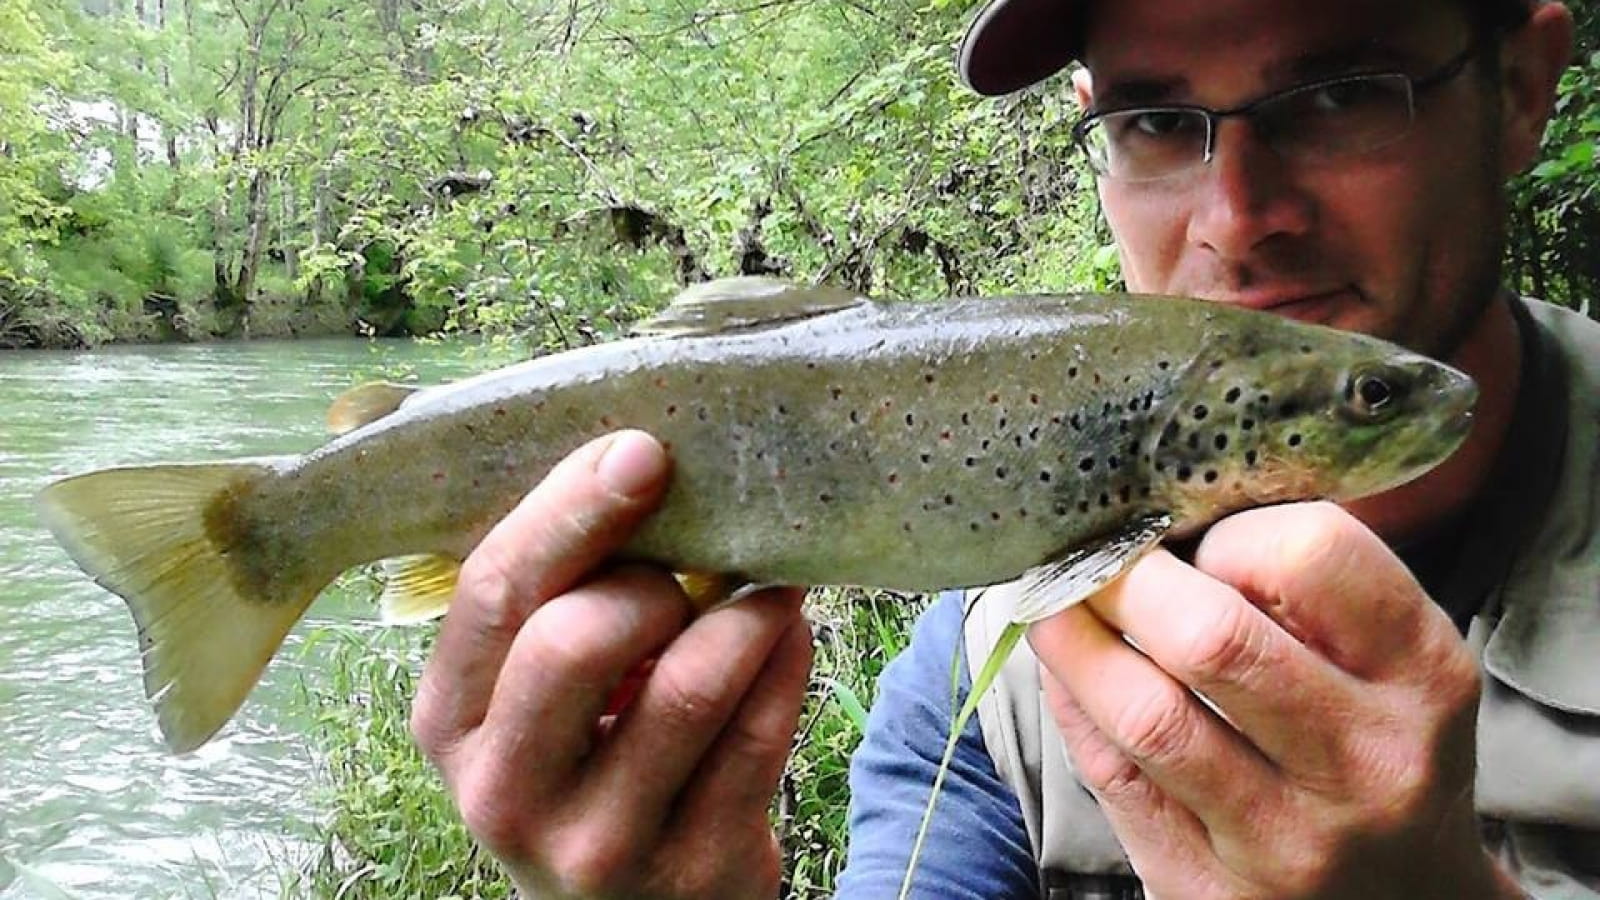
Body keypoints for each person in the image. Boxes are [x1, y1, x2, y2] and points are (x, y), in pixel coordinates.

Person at [407, 0, 1595, 897]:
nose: (1237, 220)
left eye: (1341, 92)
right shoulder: (981, 672)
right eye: (1154, 120)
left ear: (1521, 87)